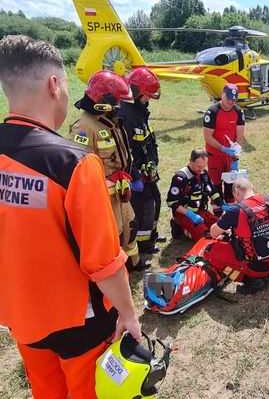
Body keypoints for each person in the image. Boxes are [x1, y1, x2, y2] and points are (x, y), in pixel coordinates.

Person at [0, 35, 142, 399]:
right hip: (81, 321)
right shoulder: (74, 162)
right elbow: (104, 262)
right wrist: (128, 313)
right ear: (54, 85)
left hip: (20, 316)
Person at [69, 70, 149, 271]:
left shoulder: (110, 120)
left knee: (129, 226)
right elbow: (80, 171)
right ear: (103, 99)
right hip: (104, 195)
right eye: (117, 102)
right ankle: (115, 270)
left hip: (121, 192)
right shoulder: (85, 128)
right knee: (112, 234)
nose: (119, 107)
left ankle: (133, 261)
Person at [205, 178, 269, 294]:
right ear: (252, 189)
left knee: (210, 251)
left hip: (257, 266)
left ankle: (249, 279)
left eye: (235, 197)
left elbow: (213, 233)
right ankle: (264, 275)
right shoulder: (268, 200)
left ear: (237, 191)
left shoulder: (235, 210)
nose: (236, 200)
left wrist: (225, 216)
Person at [118, 67, 166, 254]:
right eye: (146, 96)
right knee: (144, 207)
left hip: (147, 170)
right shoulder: (126, 115)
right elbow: (126, 149)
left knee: (156, 199)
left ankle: (152, 234)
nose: (148, 100)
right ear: (136, 93)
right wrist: (135, 174)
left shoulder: (139, 111)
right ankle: (144, 245)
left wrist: (152, 163)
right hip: (136, 173)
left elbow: (146, 140)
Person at [167, 148, 225, 242]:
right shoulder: (181, 178)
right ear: (190, 161)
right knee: (206, 237)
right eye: (198, 166)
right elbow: (171, 202)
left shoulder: (203, 173)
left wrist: (222, 204)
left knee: (222, 228)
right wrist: (189, 214)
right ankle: (179, 225)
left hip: (200, 211)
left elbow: (212, 190)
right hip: (184, 214)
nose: (201, 169)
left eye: (204, 166)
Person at [203, 83, 245, 206]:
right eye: (228, 98)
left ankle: (230, 211)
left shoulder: (238, 112)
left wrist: (236, 153)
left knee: (231, 186)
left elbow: (240, 135)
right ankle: (217, 211)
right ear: (222, 94)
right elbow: (208, 136)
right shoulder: (212, 112)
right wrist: (222, 148)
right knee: (215, 185)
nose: (231, 102)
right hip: (214, 155)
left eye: (234, 99)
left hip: (230, 157)